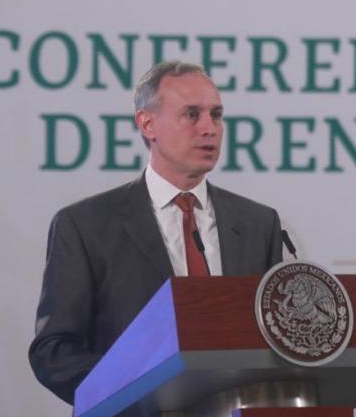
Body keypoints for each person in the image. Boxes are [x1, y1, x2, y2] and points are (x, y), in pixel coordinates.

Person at [28, 61, 283, 404]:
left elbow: (274, 340)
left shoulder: (259, 223)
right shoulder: (85, 226)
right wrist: (141, 390)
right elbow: (54, 352)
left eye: (217, 114)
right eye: (192, 114)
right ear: (147, 123)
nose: (210, 128)